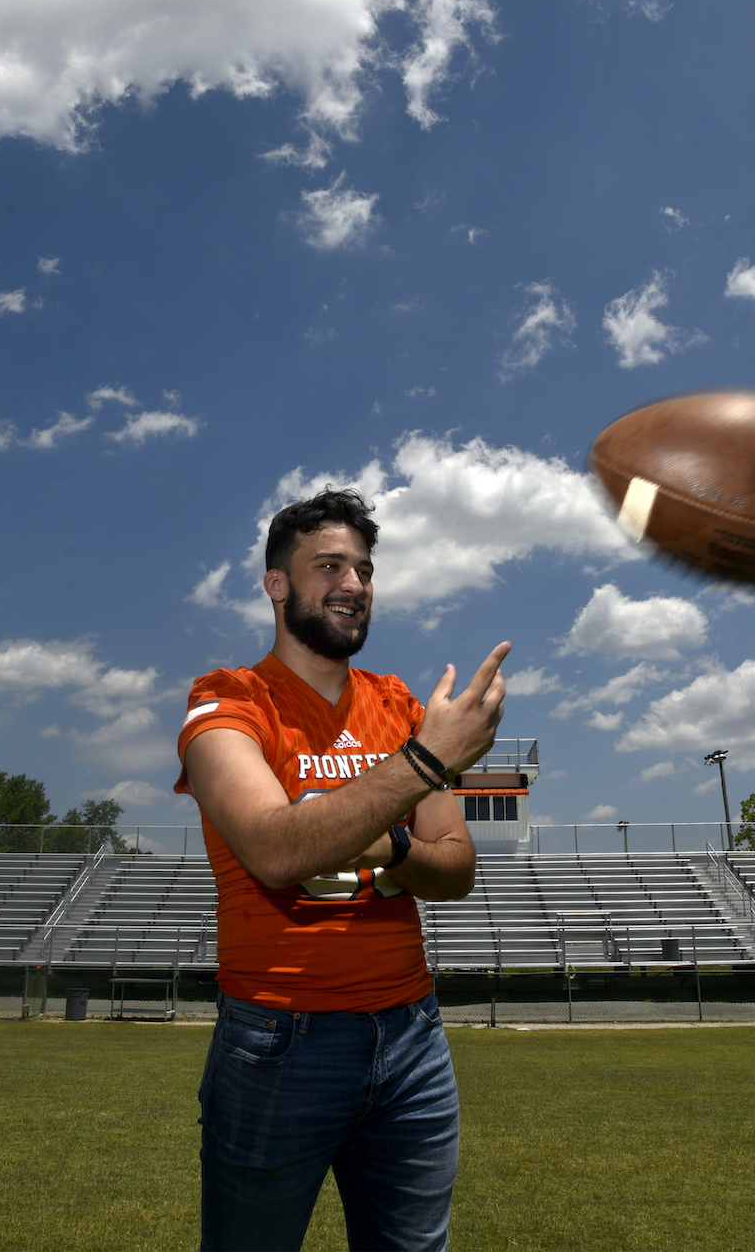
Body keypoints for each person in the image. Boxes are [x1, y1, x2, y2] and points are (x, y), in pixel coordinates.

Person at [175, 487, 509, 1252]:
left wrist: (390, 846)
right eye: (330, 565)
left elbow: (455, 867)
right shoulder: (227, 699)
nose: (354, 584)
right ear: (277, 584)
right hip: (278, 1039)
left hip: (413, 1036)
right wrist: (426, 760)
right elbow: (276, 849)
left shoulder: (396, 703)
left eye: (363, 568)